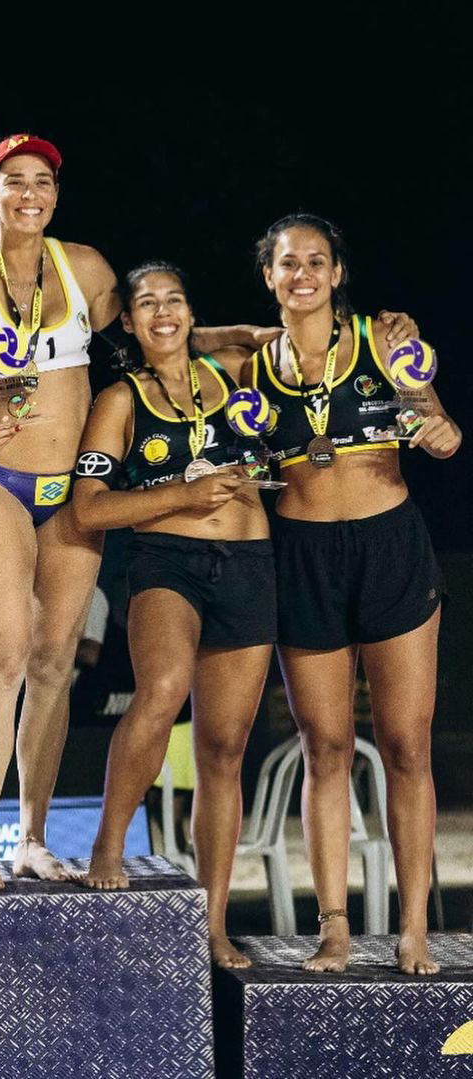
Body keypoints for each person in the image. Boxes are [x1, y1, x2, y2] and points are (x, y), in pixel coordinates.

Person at [0, 136, 265, 890]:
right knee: (6, 657)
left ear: (56, 193)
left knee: (54, 663)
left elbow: (149, 335)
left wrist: (234, 338)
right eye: (14, 182)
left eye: (42, 182)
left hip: (70, 491)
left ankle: (31, 837)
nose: (30, 195)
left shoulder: (85, 268)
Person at [249, 213, 460, 975]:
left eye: (316, 261)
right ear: (269, 276)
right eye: (287, 262)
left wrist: (438, 431)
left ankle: (413, 927)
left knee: (406, 745)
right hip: (302, 555)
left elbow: (437, 423)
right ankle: (334, 928)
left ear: (338, 273)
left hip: (389, 547)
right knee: (325, 747)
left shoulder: (386, 339)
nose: (302, 273)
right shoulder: (253, 366)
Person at [71, 261, 276, 966]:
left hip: (250, 565)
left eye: (175, 301)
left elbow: (297, 344)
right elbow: (90, 509)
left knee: (224, 748)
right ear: (127, 322)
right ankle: (108, 844)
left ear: (192, 312)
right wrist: (181, 497)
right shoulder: (119, 400)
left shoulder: (235, 373)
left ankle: (213, 922)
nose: (163, 313)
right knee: (161, 690)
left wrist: (391, 331)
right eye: (148, 304)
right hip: (167, 561)